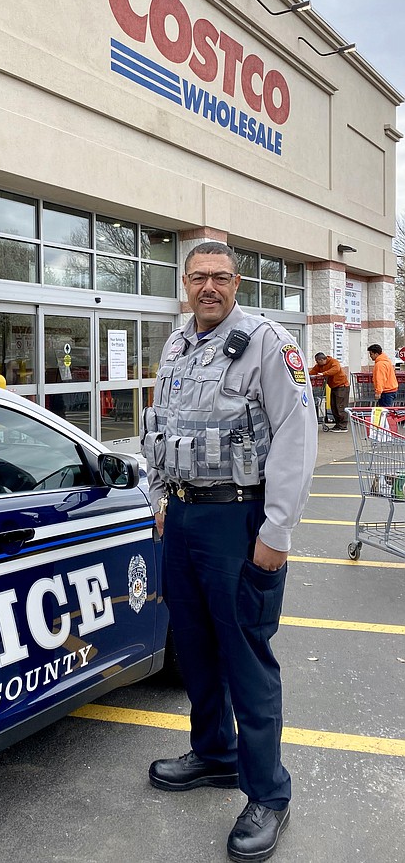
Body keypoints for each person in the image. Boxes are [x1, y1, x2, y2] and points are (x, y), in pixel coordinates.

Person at [142, 242, 317, 863]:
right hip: (184, 515)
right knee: (194, 648)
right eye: (199, 277)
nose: (208, 286)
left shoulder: (269, 342)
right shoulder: (175, 344)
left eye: (220, 277)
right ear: (184, 283)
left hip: (239, 520)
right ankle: (214, 754)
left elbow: (297, 433)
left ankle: (267, 791)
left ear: (236, 282)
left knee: (246, 655)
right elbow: (162, 425)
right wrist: (162, 500)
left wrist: (276, 531)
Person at [308, 352, 350, 431]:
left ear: (322, 359)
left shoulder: (334, 362)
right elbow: (312, 371)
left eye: (317, 361)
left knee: (340, 406)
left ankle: (343, 426)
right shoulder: (319, 366)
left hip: (342, 386)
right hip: (333, 386)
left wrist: (323, 373)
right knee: (333, 406)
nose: (316, 363)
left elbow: (335, 369)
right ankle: (338, 424)